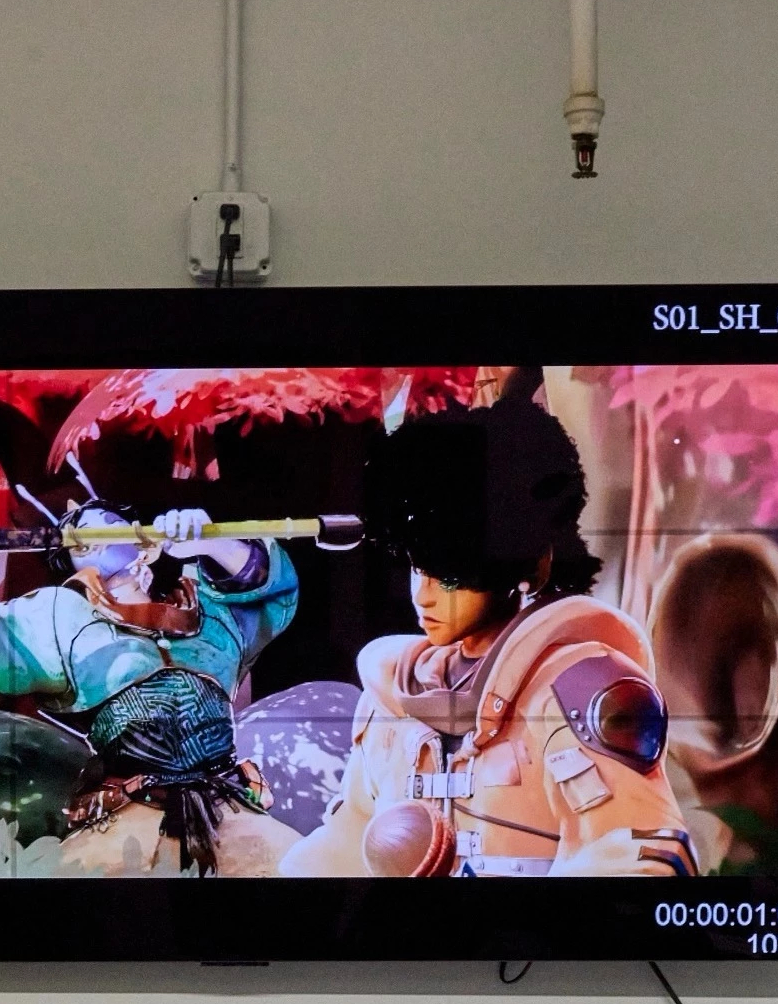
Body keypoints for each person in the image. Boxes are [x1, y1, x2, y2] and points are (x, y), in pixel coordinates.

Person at [278, 370, 700, 879]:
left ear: (519, 566)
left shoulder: (578, 691)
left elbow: (639, 858)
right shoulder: (393, 695)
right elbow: (346, 840)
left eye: (449, 576)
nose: (424, 595)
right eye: (417, 568)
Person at [0, 501, 301, 876]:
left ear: (144, 542)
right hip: (130, 810)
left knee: (297, 873)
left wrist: (209, 542)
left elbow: (263, 594)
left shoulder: (206, 606)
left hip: (227, 803)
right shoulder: (60, 616)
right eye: (75, 539)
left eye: (106, 523)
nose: (88, 535)